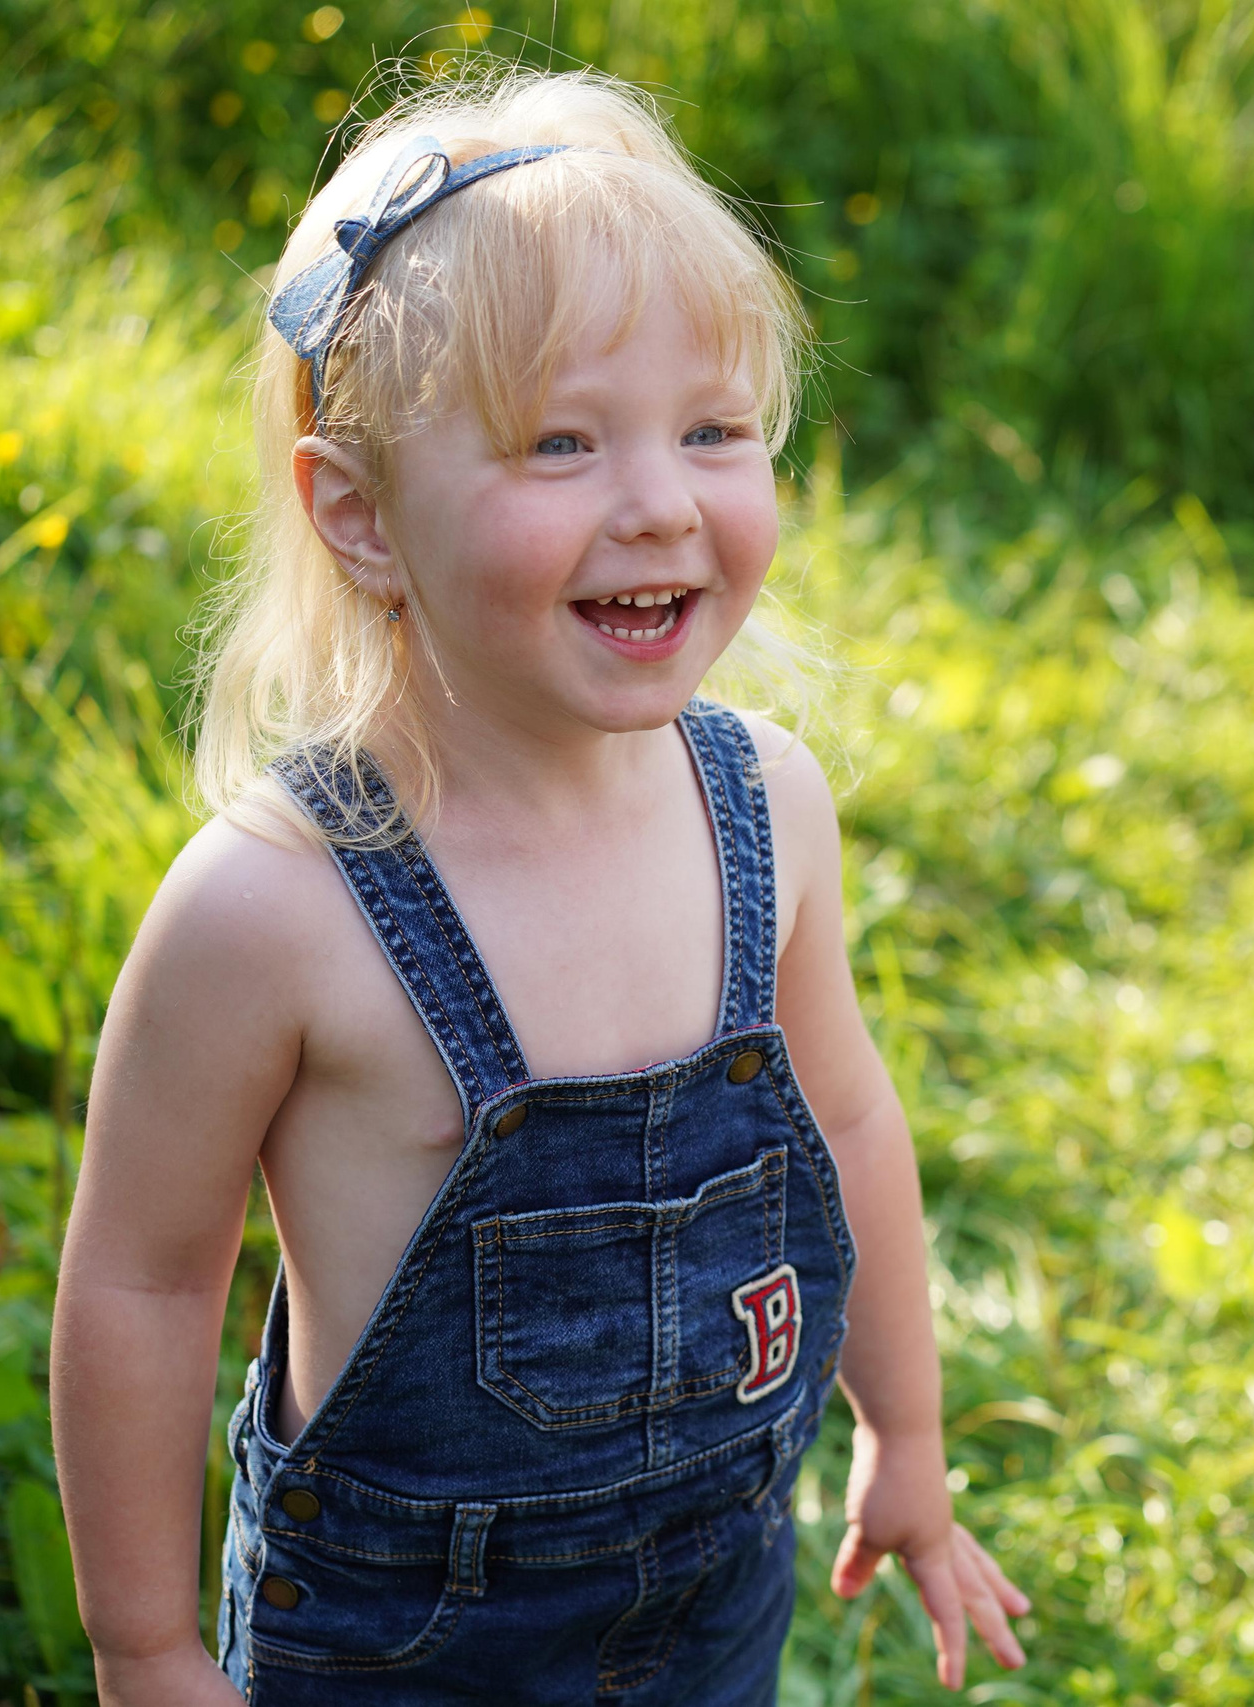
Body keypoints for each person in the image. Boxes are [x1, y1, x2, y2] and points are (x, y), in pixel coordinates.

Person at [50, 70, 1028, 1706]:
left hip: (717, 1584)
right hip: (394, 1646)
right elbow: (146, 1280)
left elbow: (843, 1122)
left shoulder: (763, 812)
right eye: (559, 442)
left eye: (714, 432)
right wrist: (142, 1646)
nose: (657, 499)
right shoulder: (274, 911)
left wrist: (905, 1435)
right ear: (359, 514)